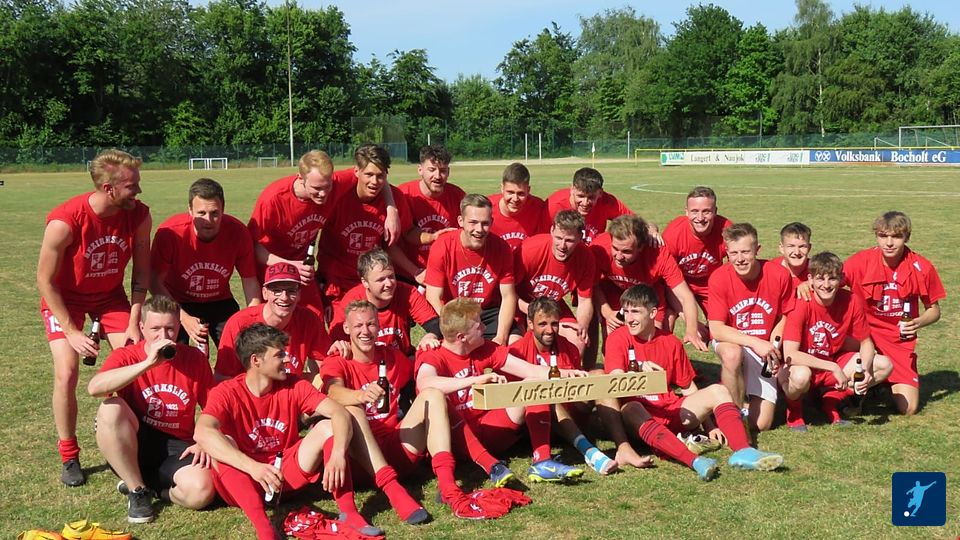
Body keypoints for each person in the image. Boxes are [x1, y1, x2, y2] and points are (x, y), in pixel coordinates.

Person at [195, 323, 381, 540]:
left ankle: (348, 512)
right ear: (256, 360)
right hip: (245, 480)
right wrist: (253, 467)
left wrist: (338, 453)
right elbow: (202, 432)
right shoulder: (227, 392)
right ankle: (264, 528)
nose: (287, 359)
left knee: (328, 427)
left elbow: (339, 413)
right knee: (222, 442)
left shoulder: (294, 384)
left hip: (284, 475)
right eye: (279, 355)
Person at [37, 148, 152, 486]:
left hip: (111, 297)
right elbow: (44, 280)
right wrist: (72, 331)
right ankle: (69, 454)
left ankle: (132, 440)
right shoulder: (66, 220)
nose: (138, 191)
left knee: (140, 359)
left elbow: (141, 273)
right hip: (66, 299)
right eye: (132, 186)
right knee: (67, 372)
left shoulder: (140, 215)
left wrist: (133, 321)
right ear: (108, 189)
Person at [322, 300, 488, 519]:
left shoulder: (391, 356)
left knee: (433, 395)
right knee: (353, 410)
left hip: (395, 448)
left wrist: (430, 344)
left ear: (379, 326)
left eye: (371, 324)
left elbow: (420, 376)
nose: (365, 331)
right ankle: (393, 491)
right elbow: (333, 393)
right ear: (346, 329)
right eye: (358, 326)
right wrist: (360, 396)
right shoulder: (338, 360)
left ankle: (447, 485)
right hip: (360, 461)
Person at [600, 285, 784, 481]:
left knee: (718, 391)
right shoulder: (617, 338)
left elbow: (688, 388)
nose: (629, 318)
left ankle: (743, 452)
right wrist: (639, 370)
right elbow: (615, 380)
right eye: (626, 311)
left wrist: (709, 425)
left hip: (670, 409)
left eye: (635, 311)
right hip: (639, 417)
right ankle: (694, 461)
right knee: (631, 407)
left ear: (653, 313)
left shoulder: (671, 342)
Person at [416, 298, 588, 484]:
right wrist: (475, 380)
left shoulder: (485, 349)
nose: (484, 327)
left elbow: (530, 370)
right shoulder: (433, 354)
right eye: (478, 325)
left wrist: (567, 373)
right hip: (455, 439)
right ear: (461, 337)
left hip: (488, 428)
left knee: (532, 384)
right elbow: (426, 384)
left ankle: (543, 461)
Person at [88, 295, 216, 523]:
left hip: (178, 445)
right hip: (136, 439)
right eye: (155, 329)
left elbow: (214, 408)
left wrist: (204, 441)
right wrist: (148, 363)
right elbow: (95, 388)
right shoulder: (127, 355)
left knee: (201, 493)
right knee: (110, 408)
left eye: (170, 329)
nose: (163, 336)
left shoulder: (194, 359)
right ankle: (137, 491)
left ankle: (153, 488)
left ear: (179, 328)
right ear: (142, 328)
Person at [247, 150, 400, 317]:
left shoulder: (336, 183)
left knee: (314, 319)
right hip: (272, 266)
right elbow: (251, 246)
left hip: (303, 267)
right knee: (275, 322)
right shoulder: (274, 199)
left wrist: (392, 211)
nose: (323, 194)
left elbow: (378, 174)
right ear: (300, 178)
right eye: (316, 188)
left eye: (327, 187)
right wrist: (288, 264)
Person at [844, 211, 945, 415]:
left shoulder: (921, 266)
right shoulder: (859, 261)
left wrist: (917, 322)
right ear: (876, 236)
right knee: (859, 354)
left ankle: (879, 384)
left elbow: (934, 310)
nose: (889, 243)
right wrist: (805, 285)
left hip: (898, 341)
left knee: (908, 408)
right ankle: (857, 392)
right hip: (863, 336)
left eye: (896, 236)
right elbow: (829, 282)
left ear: (906, 237)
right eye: (883, 236)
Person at [780, 252, 892, 430]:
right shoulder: (801, 303)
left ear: (841, 279)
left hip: (832, 360)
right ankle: (794, 412)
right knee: (801, 376)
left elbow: (866, 342)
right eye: (820, 279)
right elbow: (790, 355)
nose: (826, 285)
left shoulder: (851, 300)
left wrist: (866, 370)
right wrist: (833, 367)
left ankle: (830, 401)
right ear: (810, 280)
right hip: (803, 365)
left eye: (832, 279)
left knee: (884, 364)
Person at [509, 297, 617, 475]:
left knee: (598, 376)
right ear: (530, 323)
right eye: (542, 324)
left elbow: (577, 388)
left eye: (554, 324)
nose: (550, 330)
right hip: (538, 420)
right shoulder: (516, 352)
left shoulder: (568, 348)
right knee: (546, 392)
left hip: (570, 412)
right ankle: (589, 451)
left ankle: (623, 443)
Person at [150, 178, 260, 352]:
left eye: (215, 213)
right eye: (201, 213)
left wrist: (254, 319)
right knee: (175, 353)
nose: (208, 220)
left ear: (223, 209)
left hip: (219, 299)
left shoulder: (238, 233)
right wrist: (182, 317)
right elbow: (155, 282)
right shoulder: (171, 233)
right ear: (190, 210)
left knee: (240, 349)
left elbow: (250, 280)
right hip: (177, 300)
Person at [707, 223, 793, 434]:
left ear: (758, 250)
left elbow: (786, 315)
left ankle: (730, 399)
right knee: (732, 354)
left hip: (765, 348)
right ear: (727, 253)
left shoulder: (778, 274)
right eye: (734, 253)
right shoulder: (719, 277)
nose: (740, 259)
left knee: (761, 425)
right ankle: (733, 416)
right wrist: (755, 342)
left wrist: (774, 344)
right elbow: (716, 329)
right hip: (734, 340)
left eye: (746, 251)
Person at [316, 144, 418, 308]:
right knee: (342, 330)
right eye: (369, 175)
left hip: (372, 280)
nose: (374, 181)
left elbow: (394, 243)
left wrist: (392, 209)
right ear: (356, 171)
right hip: (337, 280)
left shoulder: (395, 198)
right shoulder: (336, 193)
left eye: (380, 176)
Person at [591, 215, 707, 356]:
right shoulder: (599, 248)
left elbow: (685, 296)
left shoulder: (658, 254)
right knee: (613, 345)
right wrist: (607, 312)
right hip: (615, 293)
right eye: (615, 248)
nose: (619, 256)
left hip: (648, 296)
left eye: (627, 251)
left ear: (641, 247)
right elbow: (593, 284)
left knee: (651, 345)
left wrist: (691, 330)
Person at [424, 194, 521, 345]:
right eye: (473, 223)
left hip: (486, 311)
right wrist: (454, 323)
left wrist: (501, 337)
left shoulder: (501, 248)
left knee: (516, 342)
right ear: (461, 221)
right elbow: (433, 296)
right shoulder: (443, 246)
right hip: (452, 311)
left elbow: (508, 296)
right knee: (431, 344)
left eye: (485, 223)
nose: (479, 229)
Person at [215, 263, 331, 382]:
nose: (284, 297)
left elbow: (325, 367)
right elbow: (222, 377)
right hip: (250, 394)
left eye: (291, 291)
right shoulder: (240, 323)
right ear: (264, 293)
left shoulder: (308, 320)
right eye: (276, 290)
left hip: (289, 393)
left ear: (299, 294)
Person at [328, 248, 441, 356]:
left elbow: (436, 325)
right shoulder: (352, 302)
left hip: (403, 359)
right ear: (365, 282)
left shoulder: (407, 292)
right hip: (367, 364)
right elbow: (336, 341)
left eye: (391, 276)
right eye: (381, 280)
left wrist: (430, 336)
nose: (389, 284)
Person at [514, 210, 595, 353]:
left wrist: (582, 325)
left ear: (580, 237)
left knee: (578, 339)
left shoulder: (585, 257)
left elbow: (585, 301)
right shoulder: (530, 250)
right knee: (518, 345)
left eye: (569, 240)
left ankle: (566, 371)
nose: (562, 245)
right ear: (551, 231)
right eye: (558, 238)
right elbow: (508, 293)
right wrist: (531, 311)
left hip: (552, 305)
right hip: (520, 305)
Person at [661, 186, 733, 336]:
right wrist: (690, 321)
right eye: (694, 211)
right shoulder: (673, 234)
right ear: (686, 211)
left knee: (724, 325)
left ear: (715, 211)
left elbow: (735, 267)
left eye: (706, 211)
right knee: (665, 318)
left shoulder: (726, 230)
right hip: (679, 283)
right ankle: (663, 355)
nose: (700, 218)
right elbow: (668, 281)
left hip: (710, 283)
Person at [397, 144, 464, 283]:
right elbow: (402, 236)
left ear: (449, 171)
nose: (438, 176)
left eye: (443, 170)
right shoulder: (404, 194)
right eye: (432, 170)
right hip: (410, 275)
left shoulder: (458, 196)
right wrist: (416, 272)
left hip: (444, 273)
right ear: (420, 170)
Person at [546, 167, 631, 245]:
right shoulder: (554, 206)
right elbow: (542, 238)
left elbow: (633, 224)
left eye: (591, 197)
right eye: (580, 196)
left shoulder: (607, 202)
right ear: (572, 190)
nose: (585, 202)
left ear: (600, 193)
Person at [488, 162, 551, 251]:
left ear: (528, 190)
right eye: (510, 192)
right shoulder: (487, 208)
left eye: (521, 193)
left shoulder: (539, 207)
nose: (515, 199)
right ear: (502, 188)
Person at [772, 222, 813, 299]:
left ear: (809, 248)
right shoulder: (770, 269)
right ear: (781, 248)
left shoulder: (817, 269)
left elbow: (841, 278)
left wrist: (814, 282)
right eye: (791, 246)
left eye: (802, 246)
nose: (797, 252)